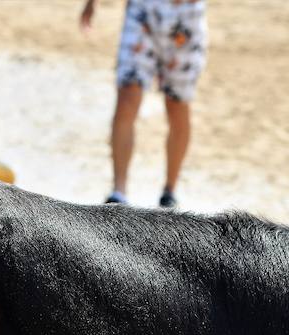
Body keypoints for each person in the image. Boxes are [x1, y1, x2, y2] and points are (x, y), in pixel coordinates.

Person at [81, 0, 207, 207]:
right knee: (128, 95)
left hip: (186, 12)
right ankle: (118, 193)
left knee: (177, 103)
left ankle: (169, 193)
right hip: (143, 9)